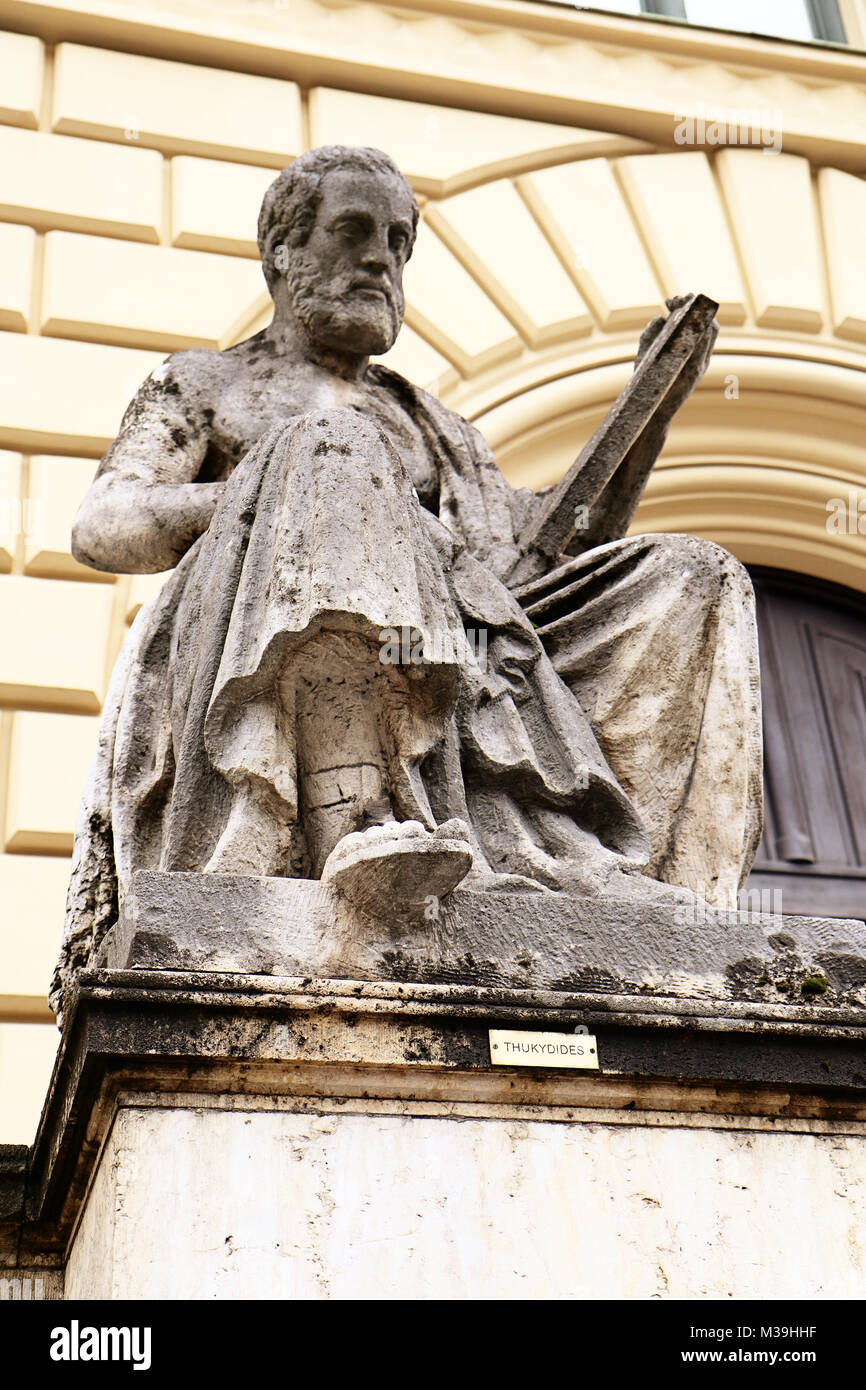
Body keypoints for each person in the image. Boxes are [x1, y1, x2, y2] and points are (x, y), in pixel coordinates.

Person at [53, 145, 762, 1013]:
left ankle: (650, 888)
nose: (380, 259)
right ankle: (351, 817)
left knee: (694, 573)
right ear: (280, 252)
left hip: (452, 635)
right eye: (352, 232)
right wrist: (278, 484)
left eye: (397, 241)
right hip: (259, 642)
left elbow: (528, 561)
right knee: (332, 445)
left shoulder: (429, 421)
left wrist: (646, 422)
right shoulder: (208, 383)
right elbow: (105, 525)